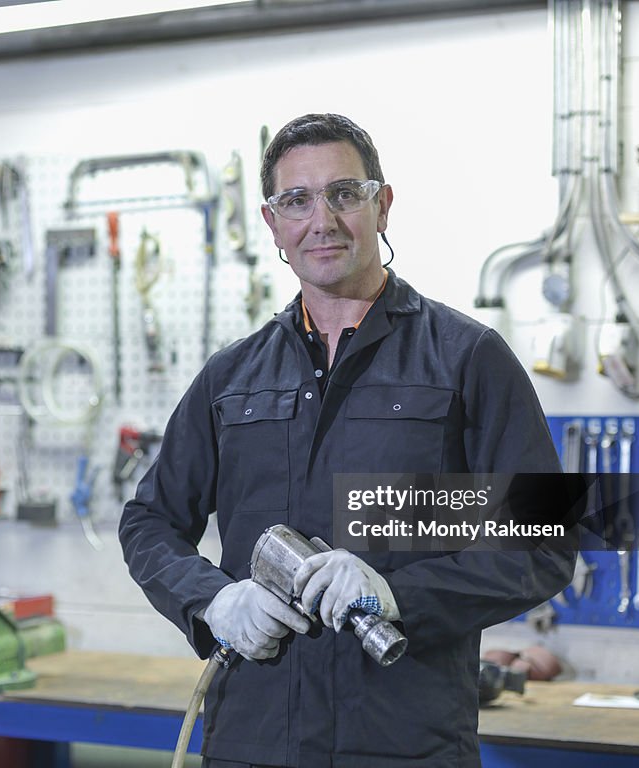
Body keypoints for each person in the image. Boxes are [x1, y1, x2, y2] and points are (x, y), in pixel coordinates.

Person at [119, 113, 575, 768]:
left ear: (382, 205)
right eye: (297, 201)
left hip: (404, 744)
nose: (322, 220)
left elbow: (542, 543)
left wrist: (399, 596)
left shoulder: (467, 359)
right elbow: (148, 521)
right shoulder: (231, 377)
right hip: (254, 741)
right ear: (273, 224)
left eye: (344, 193)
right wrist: (213, 601)